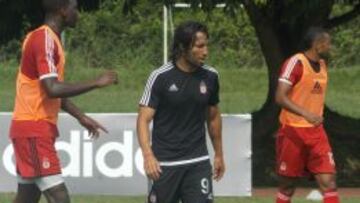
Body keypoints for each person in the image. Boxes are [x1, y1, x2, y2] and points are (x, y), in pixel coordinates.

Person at [9, 0, 118, 202]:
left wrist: (81, 117)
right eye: (74, 8)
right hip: (33, 129)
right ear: (62, 11)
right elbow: (52, 89)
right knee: (60, 197)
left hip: (32, 128)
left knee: (27, 196)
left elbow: (50, 90)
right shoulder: (44, 39)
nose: (77, 13)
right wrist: (96, 82)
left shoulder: (48, 39)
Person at [137, 21, 225, 203]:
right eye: (199, 46)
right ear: (183, 47)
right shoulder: (160, 77)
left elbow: (213, 116)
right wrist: (148, 156)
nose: (206, 51)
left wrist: (219, 154)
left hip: (198, 161)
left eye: (206, 45)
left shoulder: (211, 76)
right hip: (165, 165)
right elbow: (143, 120)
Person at [275, 27, 340, 203]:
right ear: (317, 45)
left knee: (329, 183)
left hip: (317, 133)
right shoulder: (295, 63)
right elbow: (280, 97)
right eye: (328, 43)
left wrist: (313, 117)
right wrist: (306, 114)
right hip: (292, 131)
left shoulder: (323, 65)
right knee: (287, 187)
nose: (330, 47)